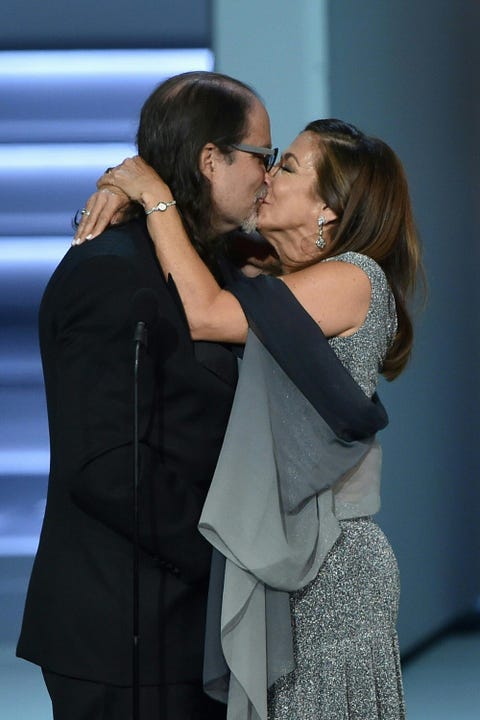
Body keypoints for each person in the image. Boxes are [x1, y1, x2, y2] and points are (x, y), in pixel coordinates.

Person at [76, 118, 422, 720]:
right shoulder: (274, 276)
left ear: (330, 212)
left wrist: (152, 192)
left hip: (332, 570)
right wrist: (123, 191)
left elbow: (206, 315)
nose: (267, 176)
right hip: (282, 556)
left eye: (287, 166)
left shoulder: (353, 279)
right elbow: (202, 253)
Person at [16, 70, 279, 720]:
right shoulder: (110, 276)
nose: (268, 176)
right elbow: (108, 465)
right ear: (211, 158)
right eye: (262, 157)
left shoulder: (206, 263)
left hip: (181, 624)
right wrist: (224, 557)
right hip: (126, 633)